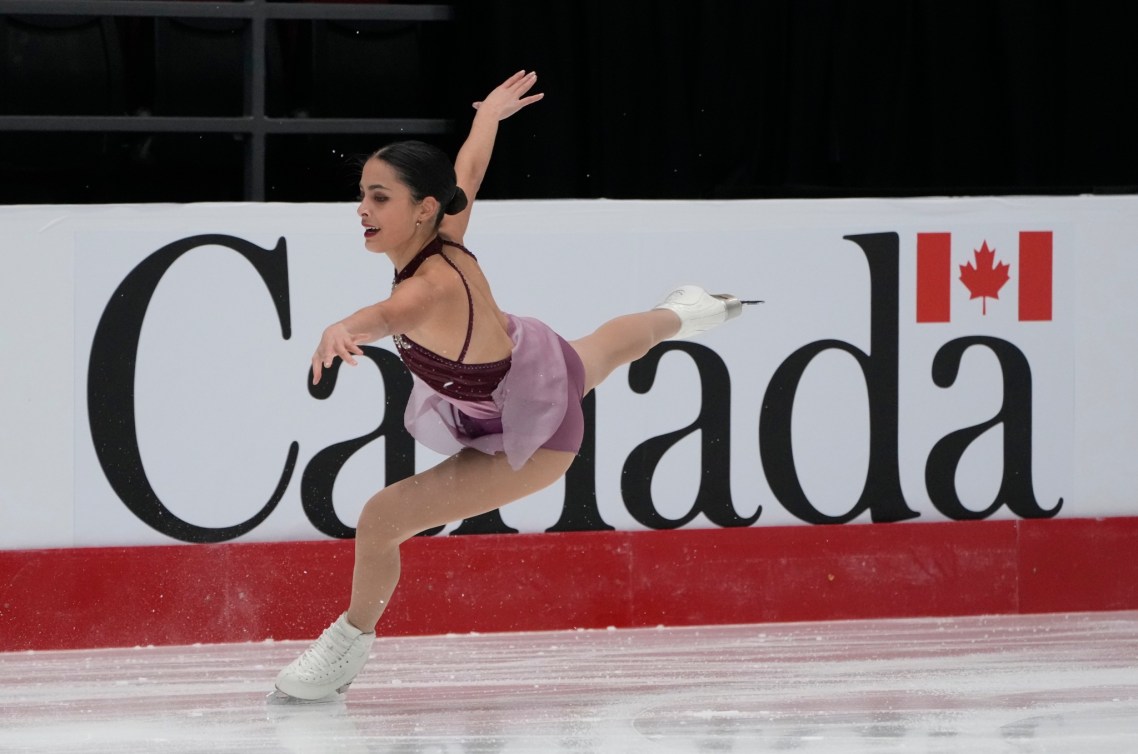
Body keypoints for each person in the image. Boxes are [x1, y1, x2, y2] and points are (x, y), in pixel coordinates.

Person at [273, 70, 749, 700]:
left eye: (379, 197)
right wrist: (488, 117)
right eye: (363, 193)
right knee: (608, 346)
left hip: (537, 426)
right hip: (523, 374)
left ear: (421, 208)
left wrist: (343, 325)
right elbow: (466, 174)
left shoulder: (429, 285)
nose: (362, 208)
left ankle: (347, 646)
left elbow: (386, 317)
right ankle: (690, 312)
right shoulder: (443, 229)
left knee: (382, 517)